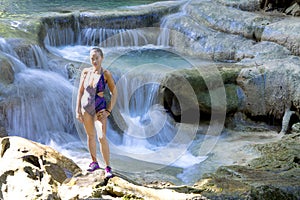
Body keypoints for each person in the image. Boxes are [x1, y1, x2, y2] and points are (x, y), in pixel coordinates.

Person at [76, 47, 117, 178]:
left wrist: (109, 110)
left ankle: (108, 167)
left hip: (100, 108)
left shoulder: (106, 74)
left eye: (96, 58)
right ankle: (94, 162)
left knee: (101, 137)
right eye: (92, 58)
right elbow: (80, 91)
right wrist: (78, 110)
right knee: (90, 136)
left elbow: (114, 92)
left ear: (102, 58)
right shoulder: (85, 72)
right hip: (86, 107)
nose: (94, 61)